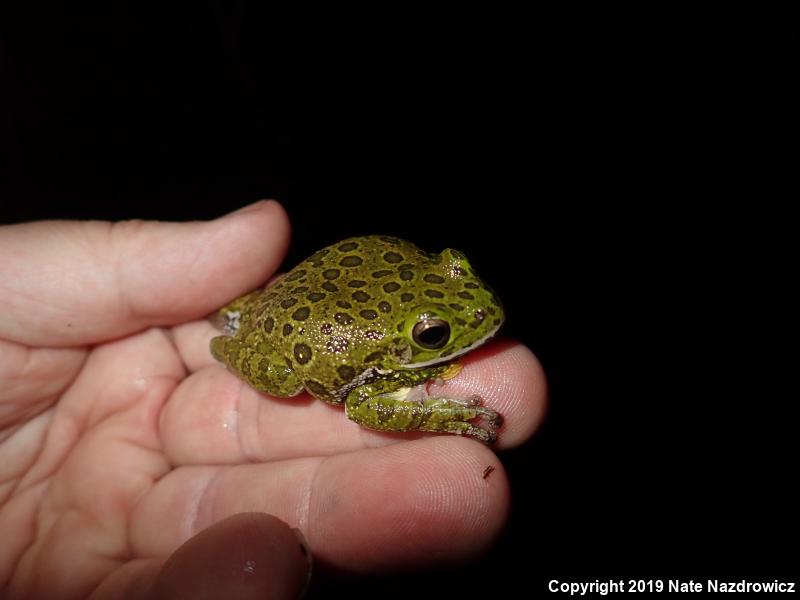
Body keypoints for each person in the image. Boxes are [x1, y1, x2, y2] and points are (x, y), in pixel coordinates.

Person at [0, 200, 547, 599]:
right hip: (288, 339)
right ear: (409, 341)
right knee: (287, 379)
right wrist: (438, 412)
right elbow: (362, 406)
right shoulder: (373, 367)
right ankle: (237, 334)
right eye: (433, 334)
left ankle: (249, 313)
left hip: (295, 299)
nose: (483, 310)